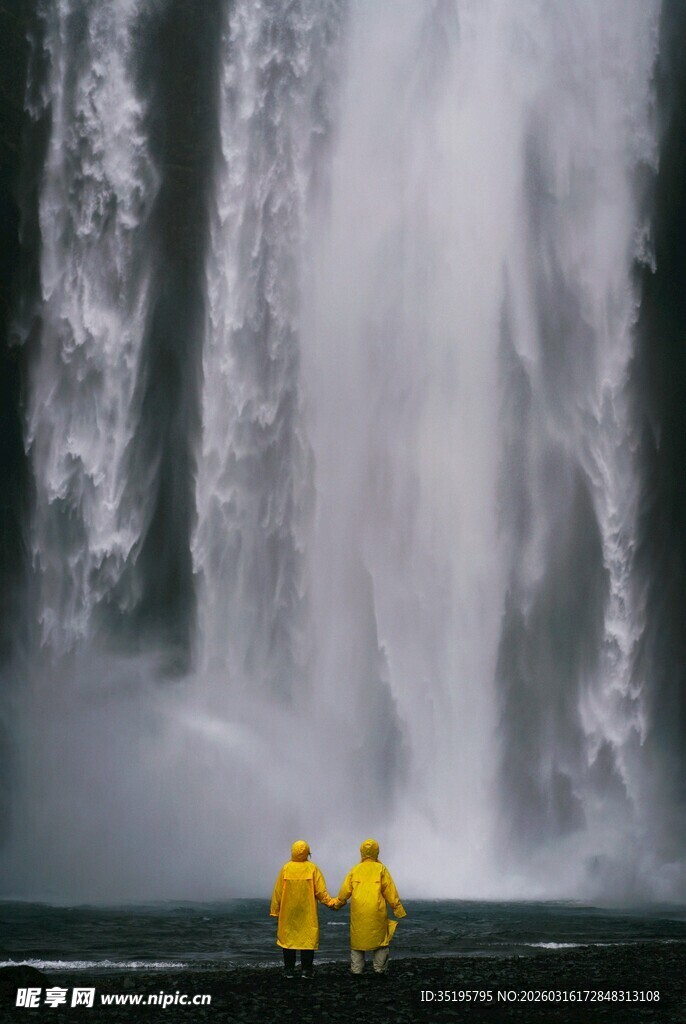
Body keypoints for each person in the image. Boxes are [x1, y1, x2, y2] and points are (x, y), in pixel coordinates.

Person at [334, 838, 406, 975]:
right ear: (376, 851)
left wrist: (336, 905)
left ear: (361, 851)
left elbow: (344, 892)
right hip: (377, 911)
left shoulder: (355, 870)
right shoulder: (381, 869)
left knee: (357, 942)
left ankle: (356, 969)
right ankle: (379, 969)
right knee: (380, 941)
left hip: (358, 912)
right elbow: (390, 892)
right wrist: (398, 910)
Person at [270, 840, 337, 979]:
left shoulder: (286, 868)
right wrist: (330, 903)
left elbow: (278, 892)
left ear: (292, 851)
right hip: (307, 912)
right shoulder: (312, 868)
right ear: (307, 852)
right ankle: (306, 971)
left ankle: (289, 971)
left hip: (288, 912)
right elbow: (320, 892)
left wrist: (275, 911)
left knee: (288, 940)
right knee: (307, 940)